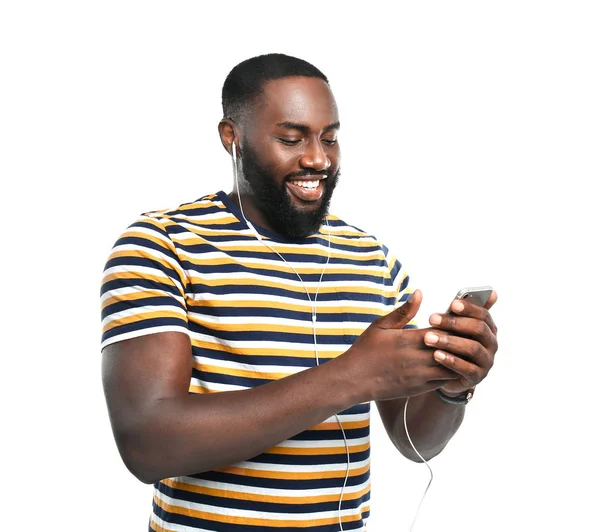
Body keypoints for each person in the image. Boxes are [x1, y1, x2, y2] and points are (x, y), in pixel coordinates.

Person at [100, 53, 498, 532]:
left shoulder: (372, 259)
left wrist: (454, 387)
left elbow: (415, 444)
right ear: (233, 137)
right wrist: (351, 377)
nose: (317, 158)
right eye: (291, 139)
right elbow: (147, 445)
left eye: (329, 138)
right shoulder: (163, 244)